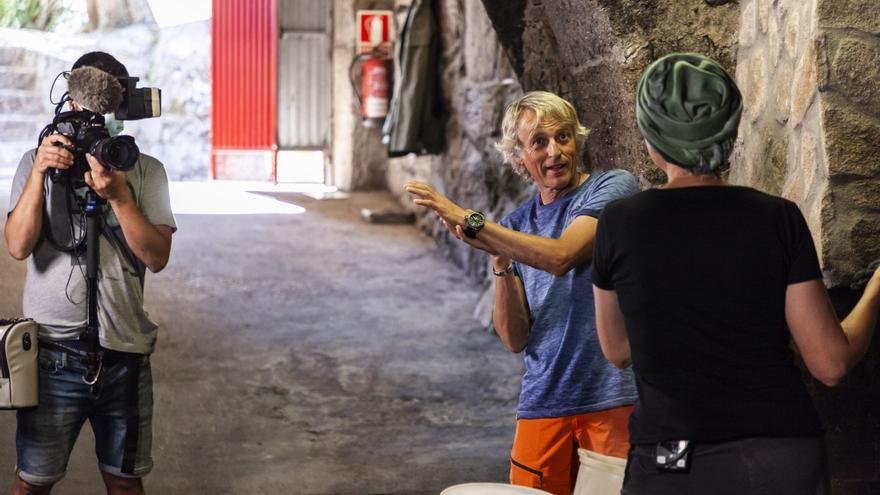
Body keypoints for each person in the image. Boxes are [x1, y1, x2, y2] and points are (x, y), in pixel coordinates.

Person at [591, 52, 880, 495]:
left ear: (652, 135)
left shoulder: (618, 223)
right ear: (729, 129)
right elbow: (830, 364)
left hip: (675, 458)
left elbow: (617, 349)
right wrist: (877, 287)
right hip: (781, 455)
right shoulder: (777, 219)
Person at [406, 91, 639, 495]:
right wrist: (499, 257)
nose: (555, 152)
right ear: (519, 158)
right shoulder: (517, 226)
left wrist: (473, 220)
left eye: (563, 137)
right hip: (544, 401)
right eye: (539, 142)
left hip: (611, 398)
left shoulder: (612, 188)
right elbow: (514, 338)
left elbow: (562, 256)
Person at [4, 51, 176, 495]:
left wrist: (119, 197)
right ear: (71, 101)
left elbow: (156, 257)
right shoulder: (36, 161)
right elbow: (18, 246)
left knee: (124, 483)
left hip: (123, 352)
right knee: (32, 483)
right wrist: (41, 170)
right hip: (51, 353)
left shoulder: (144, 170)